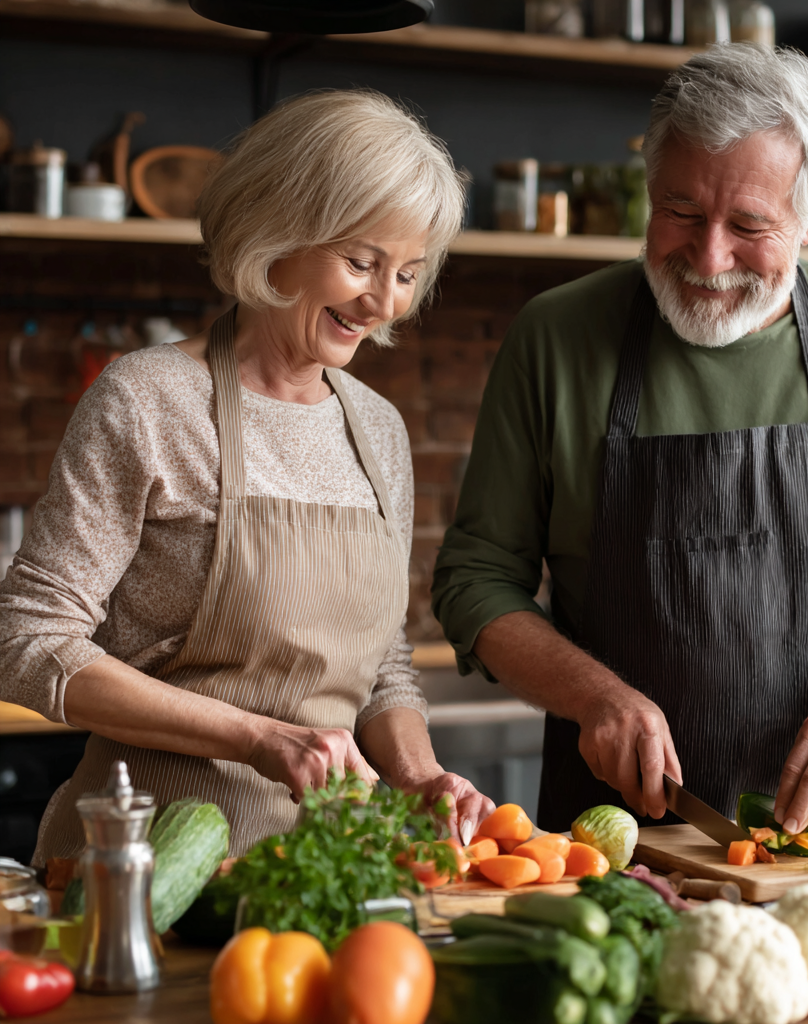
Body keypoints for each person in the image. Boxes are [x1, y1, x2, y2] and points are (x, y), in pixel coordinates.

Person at [432, 44, 808, 838]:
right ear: (648, 190)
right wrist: (592, 694)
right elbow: (476, 579)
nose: (708, 258)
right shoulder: (556, 338)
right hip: (618, 843)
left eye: (749, 225)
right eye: (680, 212)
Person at [0, 89, 494, 863]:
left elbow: (381, 665)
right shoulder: (150, 400)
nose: (381, 300)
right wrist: (260, 738)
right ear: (277, 235)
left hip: (324, 872)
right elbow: (28, 638)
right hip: (145, 870)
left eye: (408, 274)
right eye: (361, 262)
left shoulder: (379, 431)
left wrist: (422, 774)